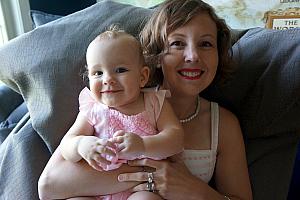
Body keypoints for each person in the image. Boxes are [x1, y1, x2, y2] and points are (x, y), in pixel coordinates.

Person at [38, 0, 253, 200]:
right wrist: (149, 178)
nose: (193, 56)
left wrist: (195, 191)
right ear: (156, 57)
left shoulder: (223, 125)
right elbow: (49, 185)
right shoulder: (113, 103)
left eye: (206, 44)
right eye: (177, 43)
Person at [53, 27, 184, 200]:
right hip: (95, 191)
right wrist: (81, 145)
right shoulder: (92, 109)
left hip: (142, 189)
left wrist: (144, 145)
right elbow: (67, 145)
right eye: (98, 73)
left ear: (142, 77)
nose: (107, 79)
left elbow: (176, 139)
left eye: (120, 70)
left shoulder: (154, 103)